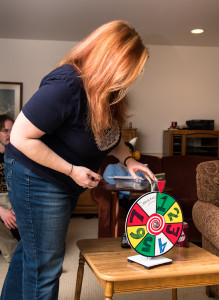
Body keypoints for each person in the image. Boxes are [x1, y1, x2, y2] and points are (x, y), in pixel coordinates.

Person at [1, 20, 156, 300]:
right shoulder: (68, 84)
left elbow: (109, 136)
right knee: (45, 266)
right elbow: (20, 137)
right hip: (35, 176)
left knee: (32, 251)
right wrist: (71, 170)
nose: (127, 80)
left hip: (63, 180)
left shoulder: (105, 92)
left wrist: (129, 160)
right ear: (109, 60)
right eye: (126, 72)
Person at [103, 138, 143, 211]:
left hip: (139, 196)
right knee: (133, 203)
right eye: (124, 154)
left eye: (129, 153)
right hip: (122, 197)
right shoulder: (111, 167)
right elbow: (110, 184)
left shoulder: (139, 168)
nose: (127, 156)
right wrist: (130, 190)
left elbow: (144, 183)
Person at [0, 114, 18, 263]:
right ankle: (16, 259)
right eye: (6, 131)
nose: (10, 135)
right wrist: (2, 211)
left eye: (12, 130)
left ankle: (40, 261)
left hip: (14, 194)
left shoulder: (17, 153)